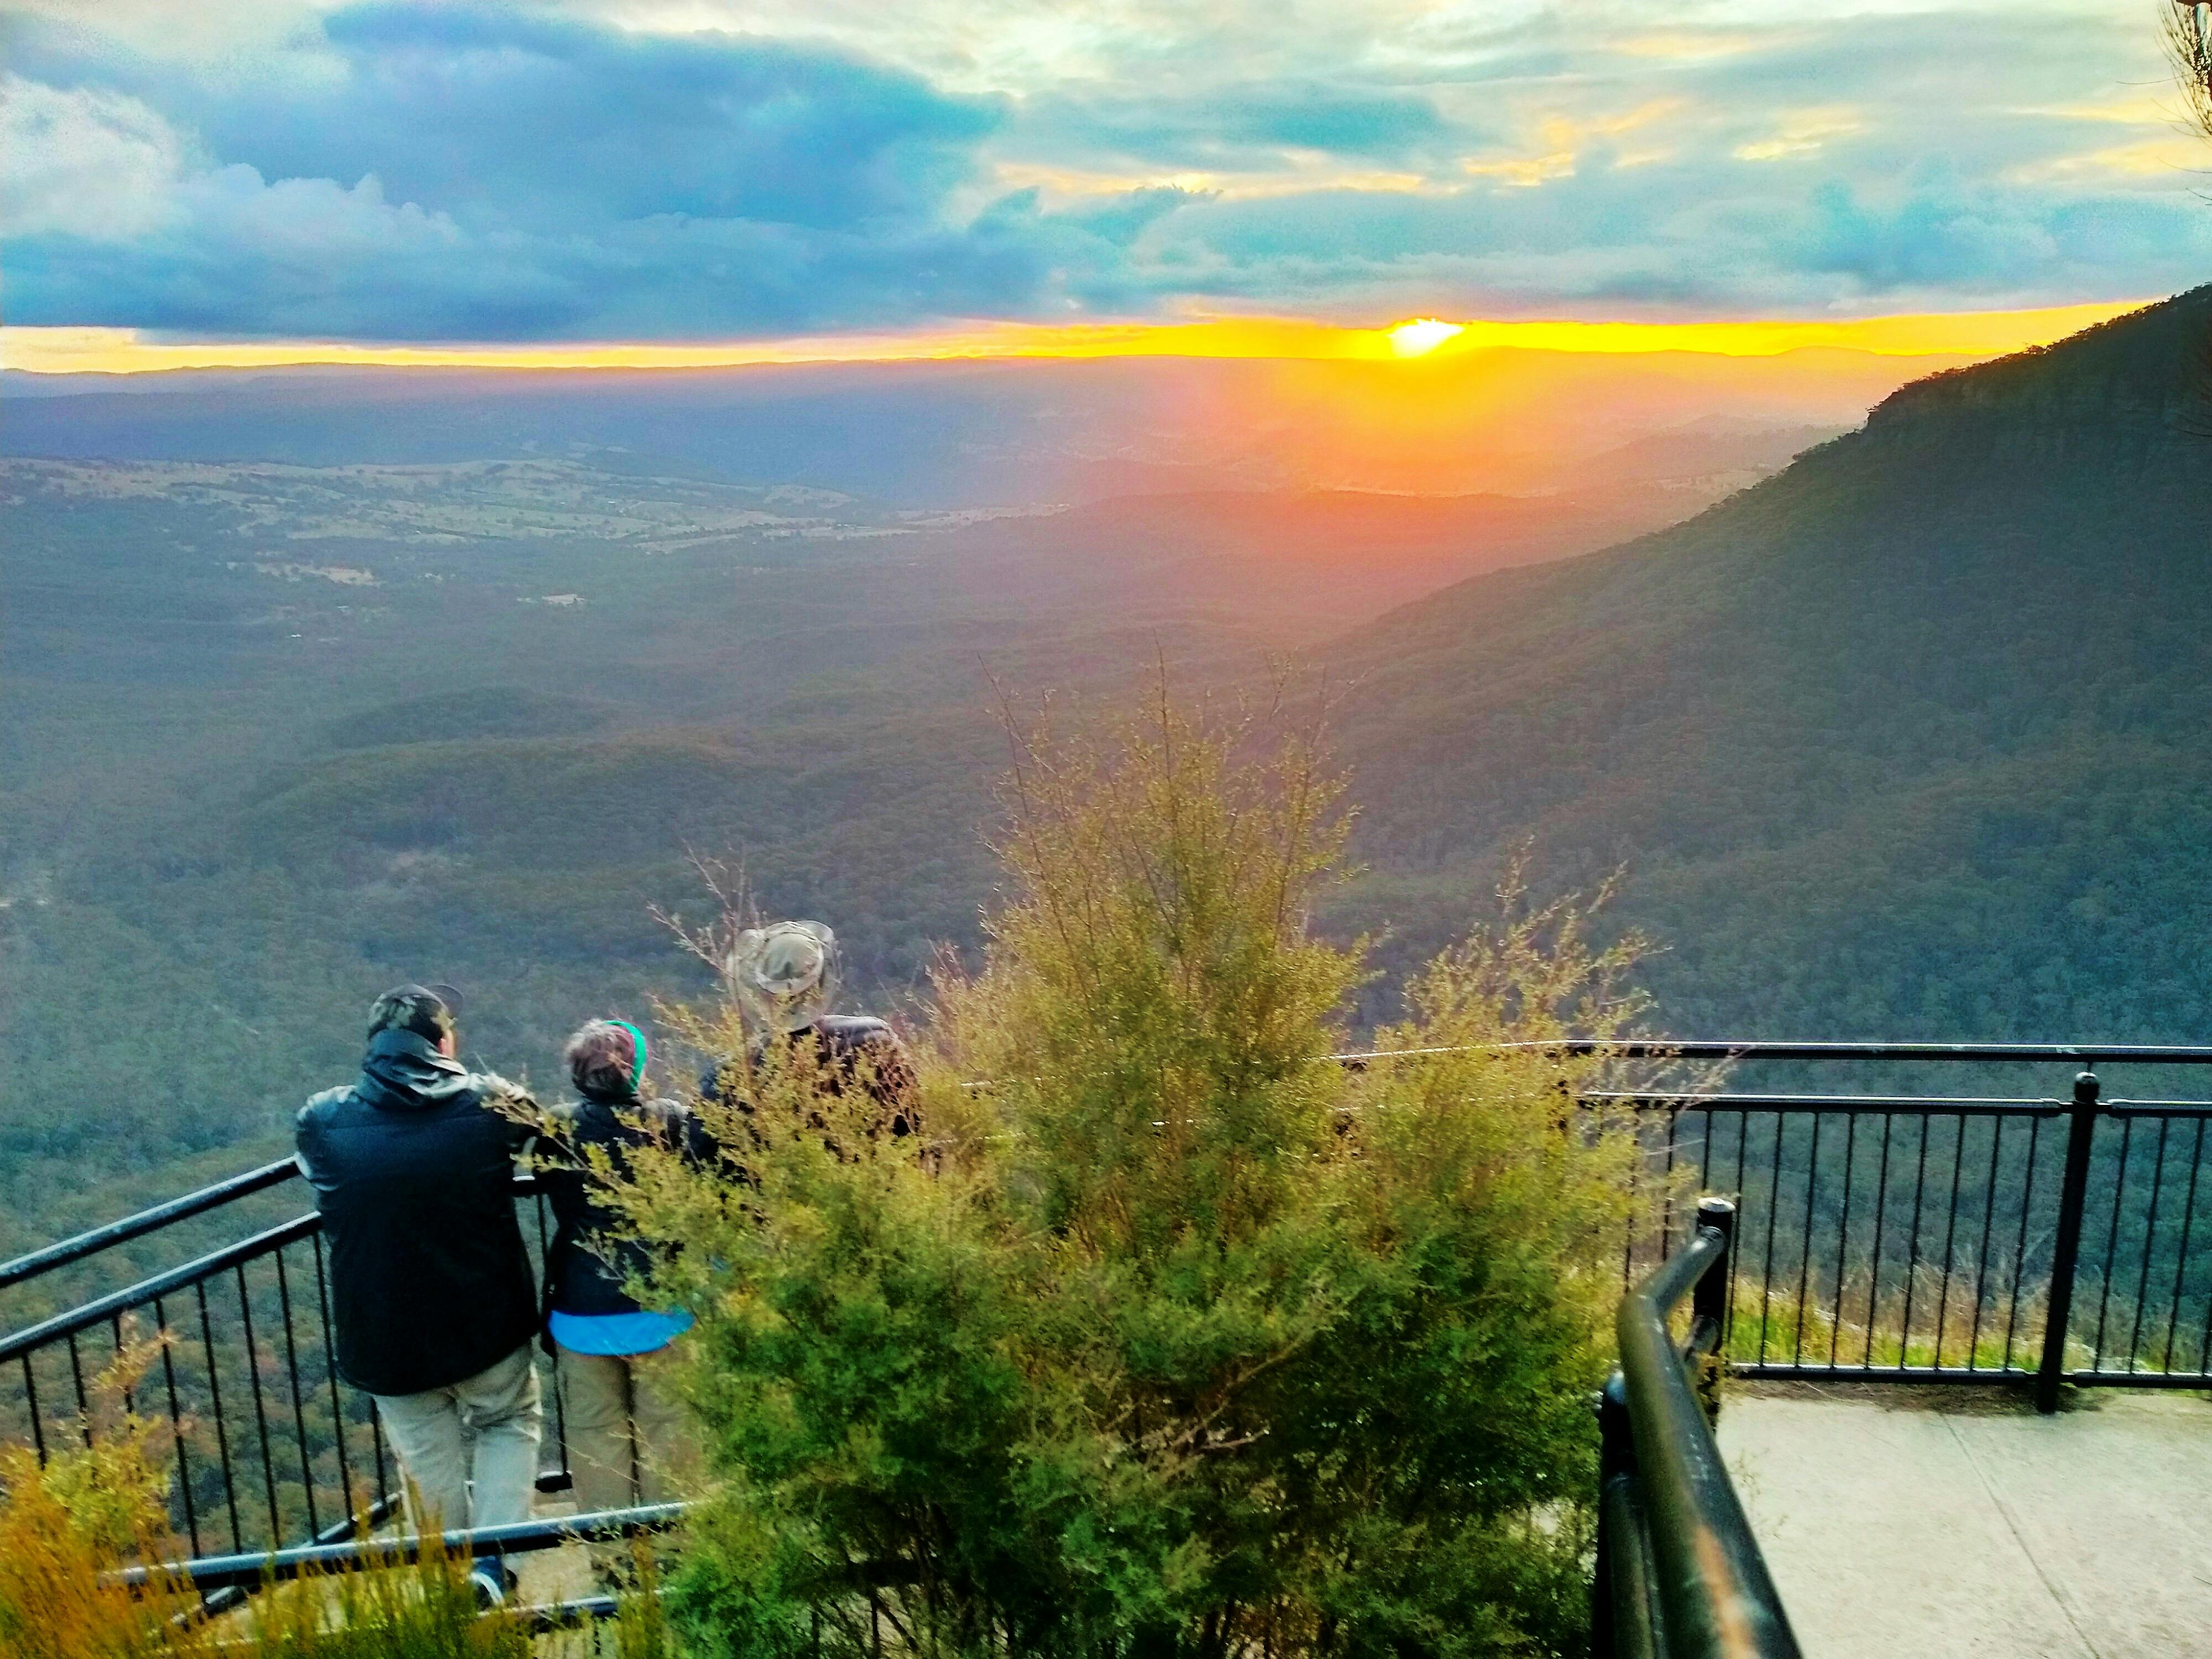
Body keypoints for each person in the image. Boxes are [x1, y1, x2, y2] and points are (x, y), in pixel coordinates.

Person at [294, 983, 541, 1605]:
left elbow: (319, 1171)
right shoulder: (491, 1106)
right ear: (443, 1042)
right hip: (487, 1322)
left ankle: (447, 1575)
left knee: (426, 1459)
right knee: (507, 1422)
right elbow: (543, 1135)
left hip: (386, 1337)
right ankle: (492, 1563)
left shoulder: (323, 1119)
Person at [536, 1019, 709, 1571]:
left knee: (595, 1437)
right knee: (669, 1432)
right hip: (663, 1306)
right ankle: (676, 1552)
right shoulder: (673, 1121)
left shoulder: (556, 1129)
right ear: (635, 1069)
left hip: (582, 1311)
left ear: (577, 1074)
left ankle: (612, 1562)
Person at [700, 920, 920, 1155]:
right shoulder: (876, 1040)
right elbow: (913, 1126)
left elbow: (709, 1162)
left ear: (760, 994)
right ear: (822, 982)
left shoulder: (727, 1075)